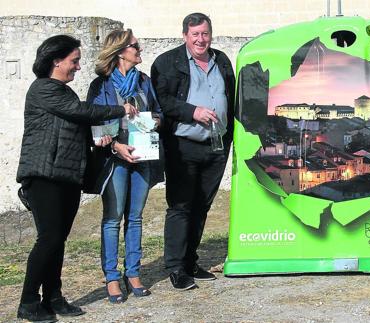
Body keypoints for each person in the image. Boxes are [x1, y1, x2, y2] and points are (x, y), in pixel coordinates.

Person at [16, 35, 137, 322]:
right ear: (56, 61)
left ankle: (53, 297)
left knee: (58, 240)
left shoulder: (64, 92)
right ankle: (29, 301)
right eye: (74, 61)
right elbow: (81, 112)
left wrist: (99, 140)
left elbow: (77, 126)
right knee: (49, 239)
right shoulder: (43, 89)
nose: (78, 67)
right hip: (44, 175)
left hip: (67, 176)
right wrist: (121, 109)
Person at [151, 12, 235, 290]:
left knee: (202, 207)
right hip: (183, 145)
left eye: (205, 34)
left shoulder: (220, 60)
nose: (201, 39)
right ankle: (175, 267)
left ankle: (190, 261)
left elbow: (231, 99)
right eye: (195, 34)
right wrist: (192, 112)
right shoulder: (167, 62)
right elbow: (161, 101)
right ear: (185, 35)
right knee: (181, 207)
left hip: (216, 145)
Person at [87, 29, 163, 303]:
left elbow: (159, 112)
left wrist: (155, 122)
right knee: (112, 218)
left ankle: (133, 273)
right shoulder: (102, 84)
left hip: (142, 156)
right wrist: (116, 146)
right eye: (135, 46)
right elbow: (94, 120)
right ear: (120, 51)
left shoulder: (143, 81)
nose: (139, 49)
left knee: (136, 216)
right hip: (114, 158)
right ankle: (112, 277)